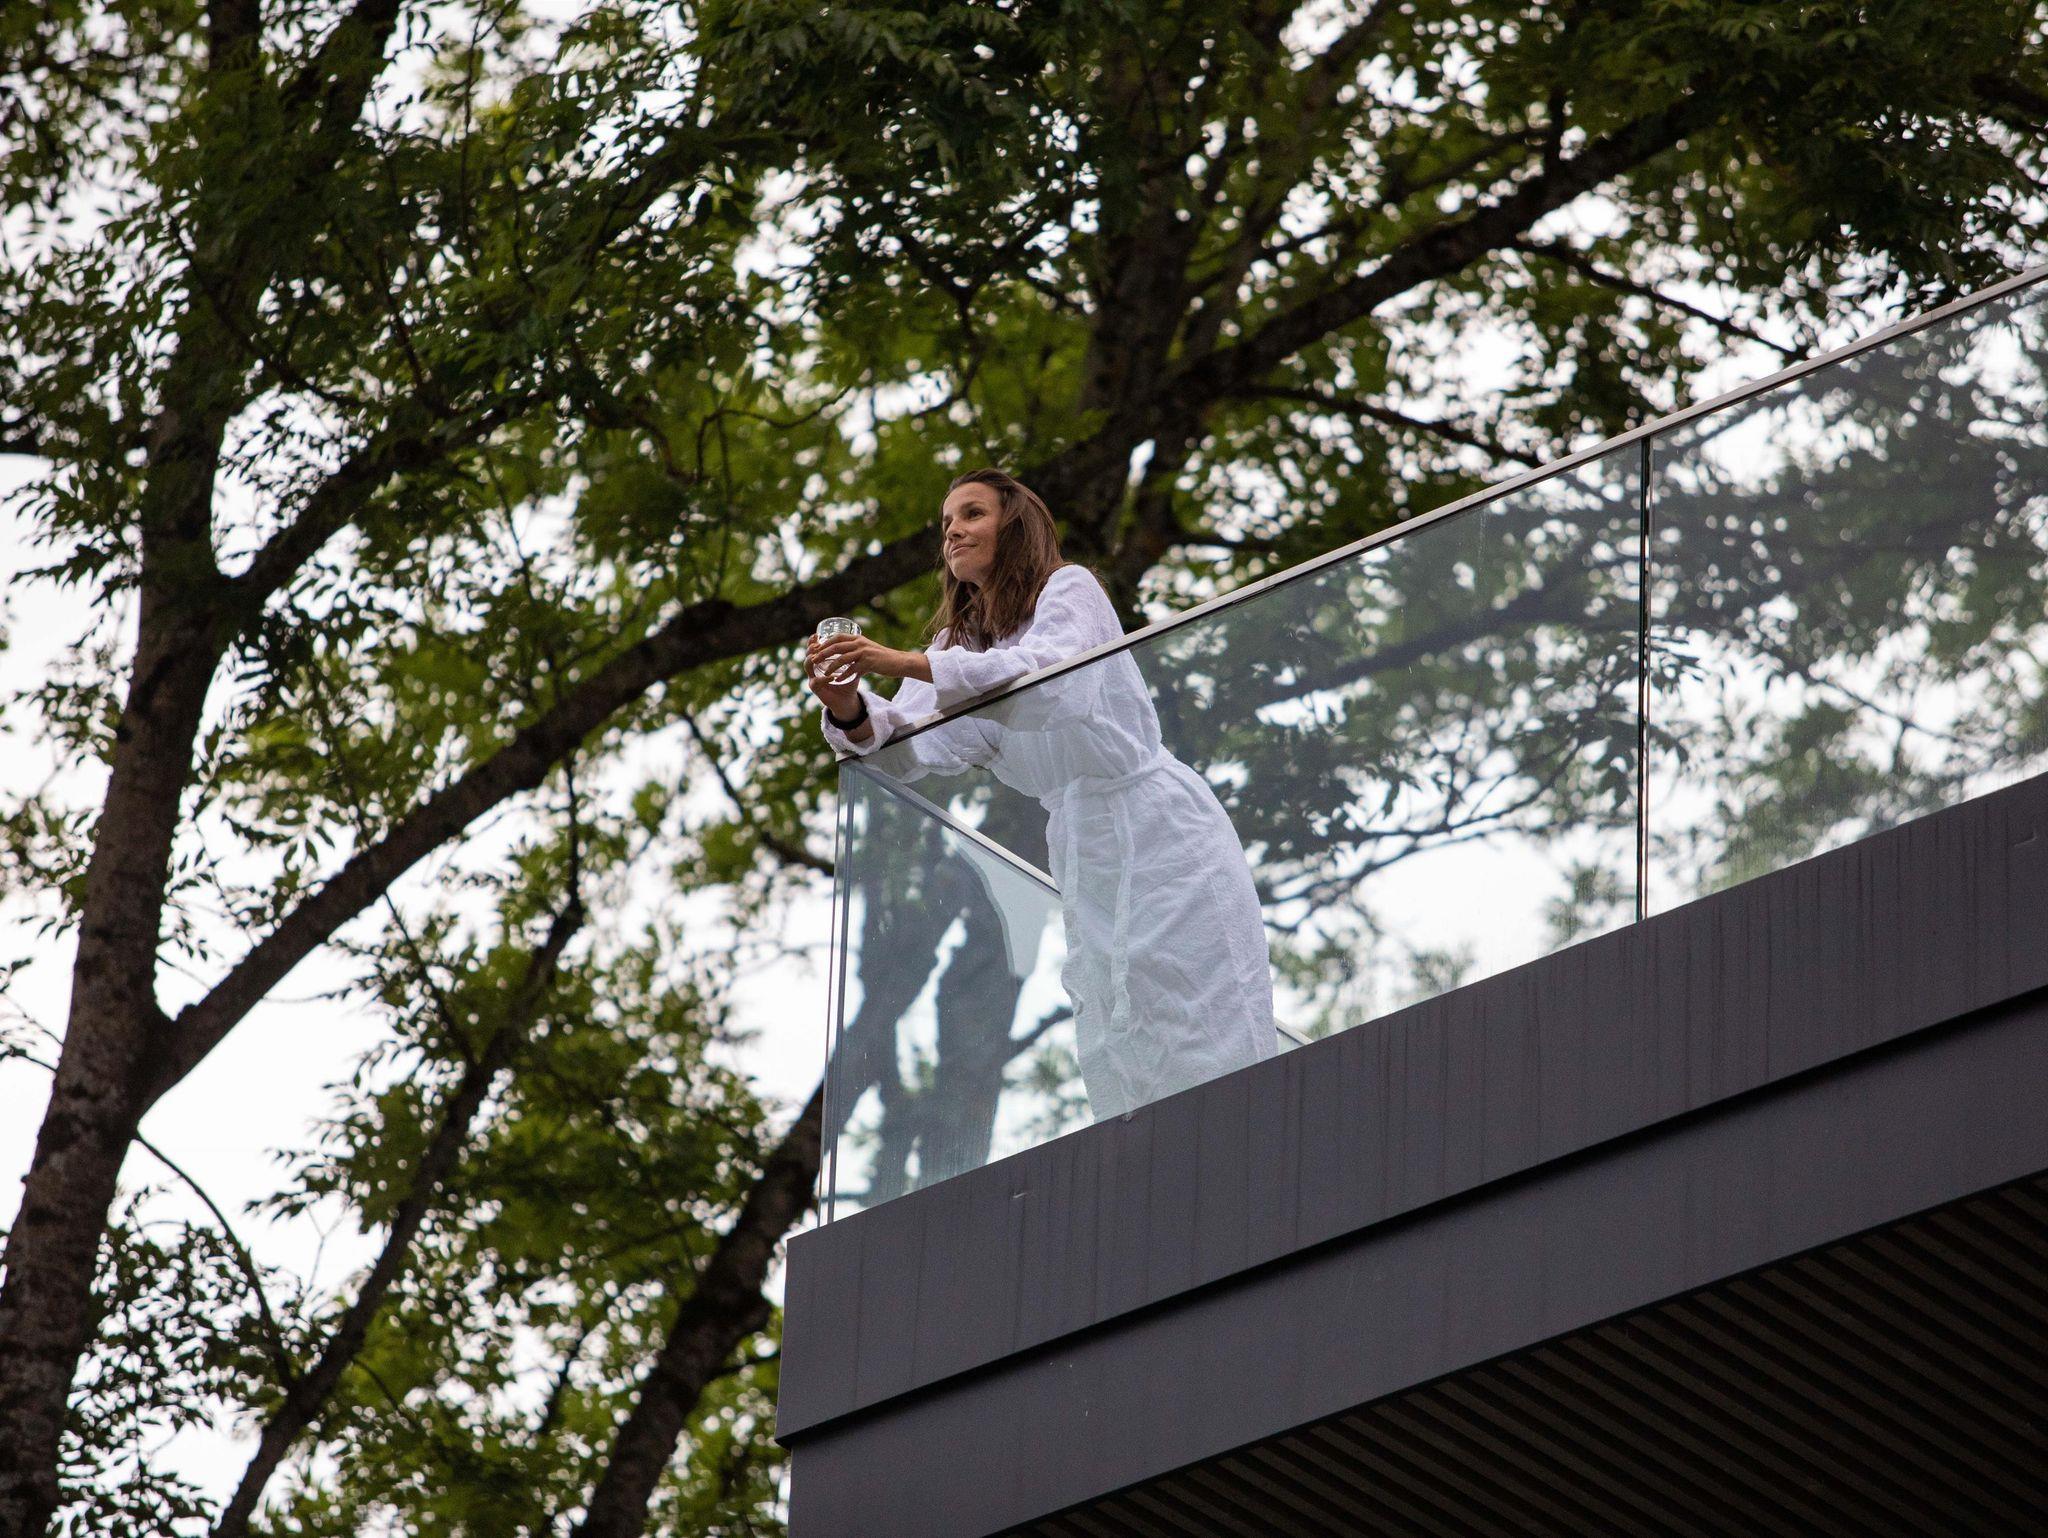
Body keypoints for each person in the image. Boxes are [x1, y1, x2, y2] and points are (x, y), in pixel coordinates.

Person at [807, 468, 1275, 1120]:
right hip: (1082, 846)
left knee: (1198, 1003)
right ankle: (1155, 1161)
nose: (953, 532)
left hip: (1159, 823)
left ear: (1014, 525)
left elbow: (1053, 683)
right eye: (946, 523)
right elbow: (909, 747)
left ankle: (1243, 1137)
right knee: (1114, 1026)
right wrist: (849, 706)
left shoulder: (1069, 590)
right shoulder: (958, 647)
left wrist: (903, 662)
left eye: (972, 514)